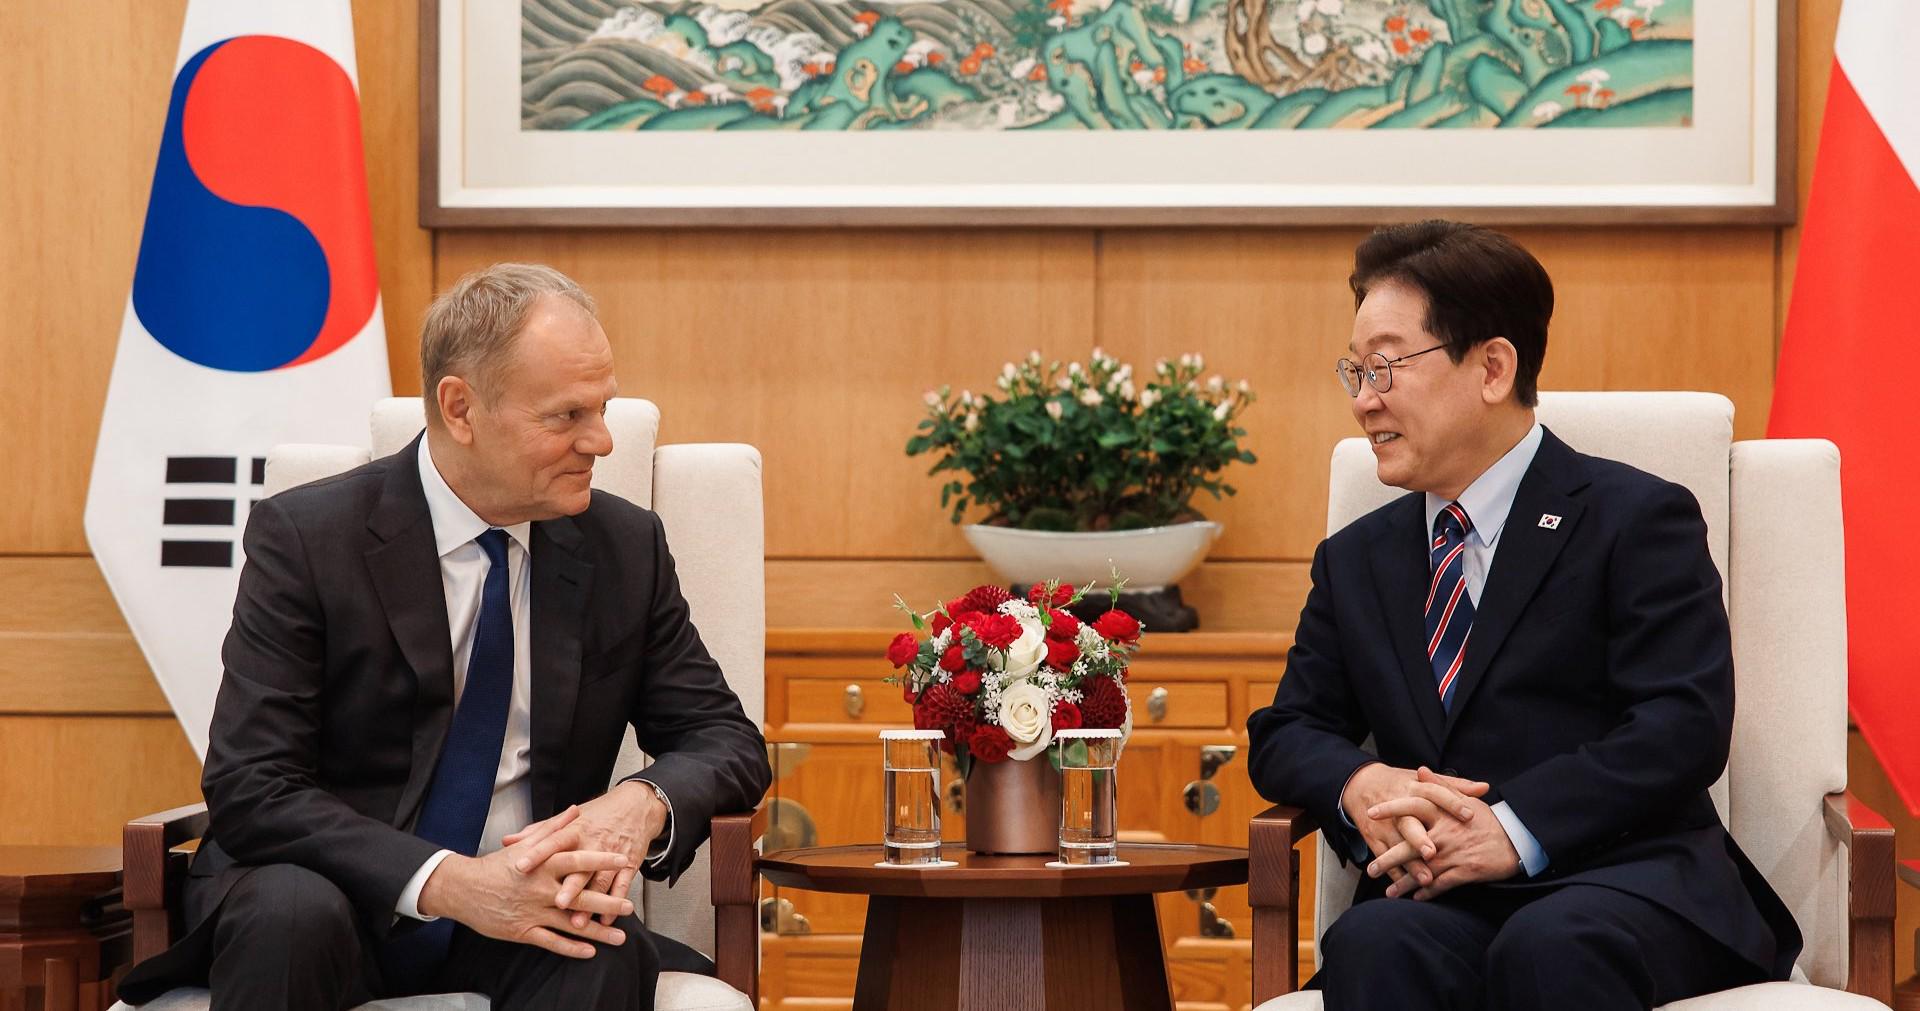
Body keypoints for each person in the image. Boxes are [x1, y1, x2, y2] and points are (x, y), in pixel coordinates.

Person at [119, 263, 772, 1011]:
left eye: (603, 408)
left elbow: (725, 738)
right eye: (566, 416)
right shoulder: (309, 537)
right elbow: (252, 783)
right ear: (460, 408)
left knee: (597, 945)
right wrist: (450, 883)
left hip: (522, 908)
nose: (600, 440)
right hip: (332, 892)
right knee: (290, 915)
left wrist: (642, 800)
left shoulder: (623, 547)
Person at [1246, 221, 1801, 1010]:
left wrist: (1513, 827)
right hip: (1444, 896)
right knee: (1370, 942)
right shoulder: (1358, 557)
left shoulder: (1635, 517)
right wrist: (1359, 780)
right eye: (1356, 370)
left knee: (1552, 945)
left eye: (1386, 367)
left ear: (1493, 367)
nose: (1364, 398)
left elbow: (1683, 723)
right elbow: (1286, 729)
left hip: (1623, 879)